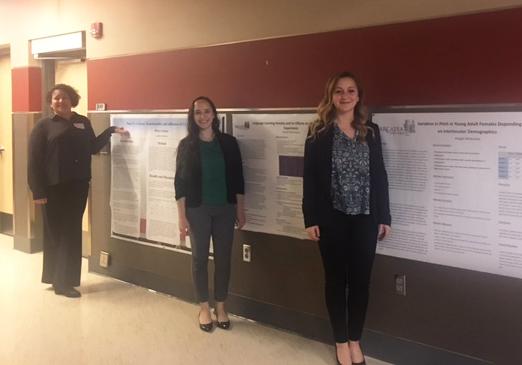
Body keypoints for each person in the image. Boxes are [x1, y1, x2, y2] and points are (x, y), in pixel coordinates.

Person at [302, 72, 391, 365]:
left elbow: (380, 175)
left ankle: (355, 340)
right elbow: (311, 180)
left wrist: (385, 216)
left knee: (361, 282)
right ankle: (340, 341)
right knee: (336, 281)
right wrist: (310, 217)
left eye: (351, 90)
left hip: (366, 218)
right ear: (331, 96)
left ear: (358, 96)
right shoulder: (318, 132)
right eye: (339, 91)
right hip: (332, 218)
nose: (345, 96)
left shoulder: (372, 131)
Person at [28, 84, 127, 298]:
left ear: (72, 100)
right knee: (56, 234)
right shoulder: (43, 126)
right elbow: (34, 161)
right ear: (50, 102)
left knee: (71, 233)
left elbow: (92, 147)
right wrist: (38, 191)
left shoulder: (83, 122)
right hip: (53, 189)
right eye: (56, 98)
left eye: (64, 97)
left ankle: (63, 280)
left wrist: (110, 131)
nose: (60, 101)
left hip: (78, 187)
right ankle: (58, 281)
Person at [175, 96, 245, 332]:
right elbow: (180, 184)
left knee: (224, 259)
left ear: (214, 114)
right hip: (197, 210)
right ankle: (204, 307)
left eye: (207, 111)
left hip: (225, 209)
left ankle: (221, 306)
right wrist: (181, 216)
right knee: (199, 259)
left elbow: (237, 179)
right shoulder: (187, 146)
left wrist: (240, 209)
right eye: (197, 113)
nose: (202, 116)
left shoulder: (229, 143)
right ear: (192, 117)